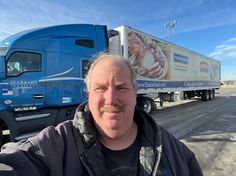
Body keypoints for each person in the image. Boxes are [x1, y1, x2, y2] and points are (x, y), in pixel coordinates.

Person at [0, 53, 203, 176]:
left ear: (135, 92)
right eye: (100, 88)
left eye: (121, 87)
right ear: (88, 95)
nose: (111, 99)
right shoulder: (54, 146)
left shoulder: (176, 154)